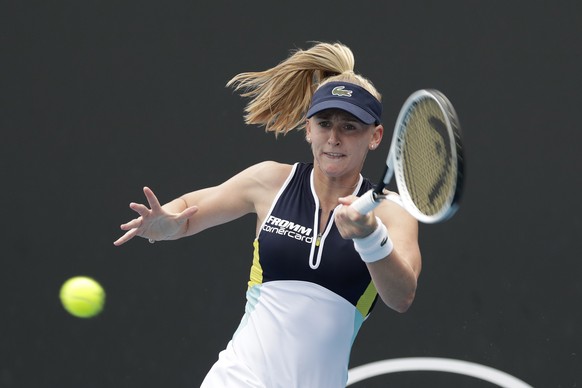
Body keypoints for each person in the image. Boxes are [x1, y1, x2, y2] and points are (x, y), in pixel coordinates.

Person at [114, 42, 422, 388]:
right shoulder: (269, 181)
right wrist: (166, 223)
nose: (334, 138)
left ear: (375, 136)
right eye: (324, 123)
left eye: (350, 127)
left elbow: (401, 296)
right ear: (308, 130)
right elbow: (187, 211)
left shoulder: (391, 212)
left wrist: (369, 237)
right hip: (237, 380)